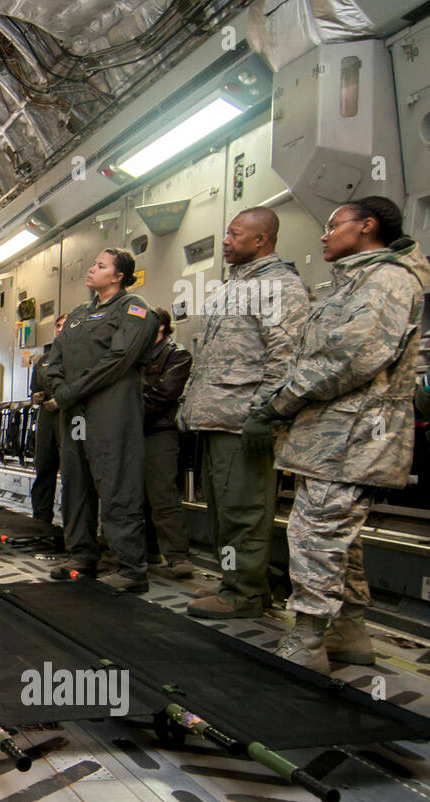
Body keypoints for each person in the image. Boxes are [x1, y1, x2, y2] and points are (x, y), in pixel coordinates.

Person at [247, 197, 429, 672]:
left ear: (367, 226)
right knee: (340, 536)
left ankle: (307, 642)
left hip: (351, 434)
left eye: (333, 225)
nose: (324, 235)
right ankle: (348, 633)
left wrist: (280, 400)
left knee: (317, 533)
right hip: (330, 435)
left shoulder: (387, 281)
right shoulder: (356, 280)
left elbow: (350, 357)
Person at [182, 207, 311, 619]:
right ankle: (237, 583)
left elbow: (286, 358)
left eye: (234, 234)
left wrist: (264, 414)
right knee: (225, 510)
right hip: (220, 418)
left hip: (244, 422)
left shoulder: (279, 286)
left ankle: (244, 593)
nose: (225, 241)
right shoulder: (236, 286)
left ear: (261, 240)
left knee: (244, 513)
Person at [44, 248, 160, 592]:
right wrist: (61, 387)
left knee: (116, 483)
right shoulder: (78, 314)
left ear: (118, 276)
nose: (91, 269)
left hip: (111, 411)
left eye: (100, 265)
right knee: (76, 482)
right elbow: (55, 358)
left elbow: (119, 359)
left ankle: (130, 568)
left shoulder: (134, 309)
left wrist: (73, 391)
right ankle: (81, 554)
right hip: (74, 413)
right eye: (93, 263)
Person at [141, 307, 194, 577]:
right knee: (134, 495)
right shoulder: (136, 354)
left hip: (159, 432)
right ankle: (146, 552)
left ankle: (177, 556)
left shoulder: (177, 354)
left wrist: (126, 408)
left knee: (162, 494)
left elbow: (164, 393)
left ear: (160, 326)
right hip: (133, 432)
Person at [29, 314, 67, 524]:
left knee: (72, 470)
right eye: (57, 326)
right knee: (43, 466)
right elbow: (34, 389)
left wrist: (62, 400)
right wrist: (35, 397)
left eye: (65, 325)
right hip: (46, 417)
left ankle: (73, 523)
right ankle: (41, 518)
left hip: (69, 416)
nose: (60, 329)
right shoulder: (43, 360)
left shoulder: (79, 356)